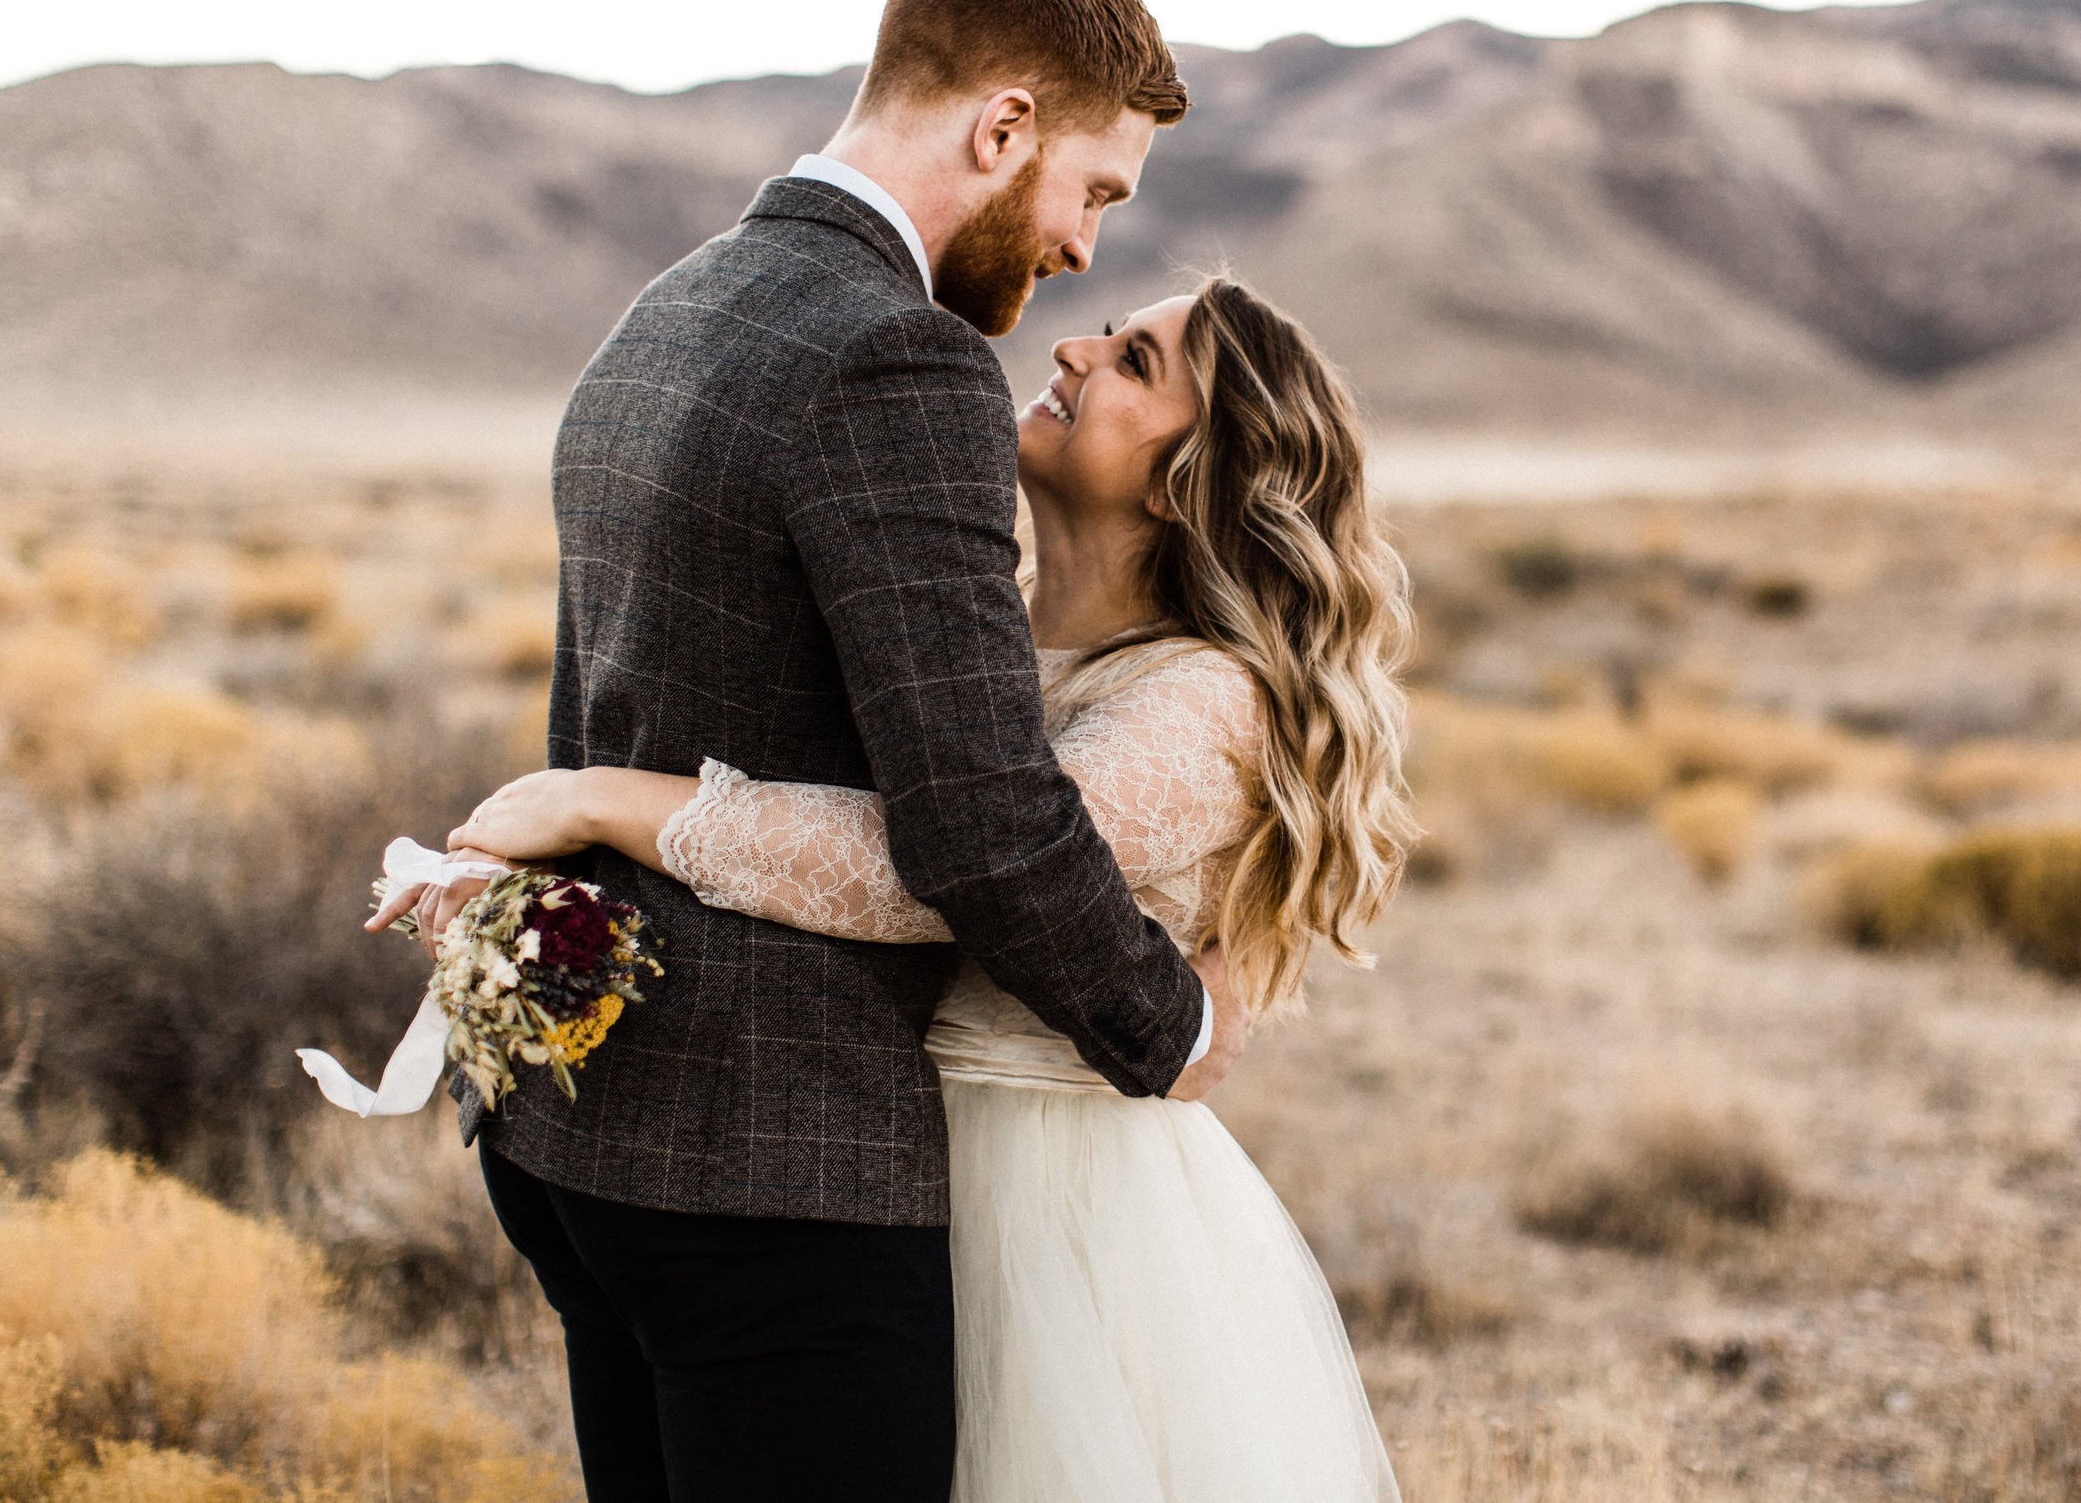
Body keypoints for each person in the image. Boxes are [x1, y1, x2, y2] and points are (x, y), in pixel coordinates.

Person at [373, 0, 1244, 1503]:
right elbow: (980, 818)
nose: (1082, 250)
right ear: (1004, 128)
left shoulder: (677, 301)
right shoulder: (896, 359)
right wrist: (1166, 1020)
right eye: (1093, 190)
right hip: (774, 1170)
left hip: (577, 1127)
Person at [447, 275, 1415, 1501]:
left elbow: (964, 868)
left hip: (1048, 1200)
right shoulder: (990, 631)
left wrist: (608, 801)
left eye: (1131, 362)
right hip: (870, 1149)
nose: (1070, 345)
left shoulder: (1206, 699)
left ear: (1183, 481)